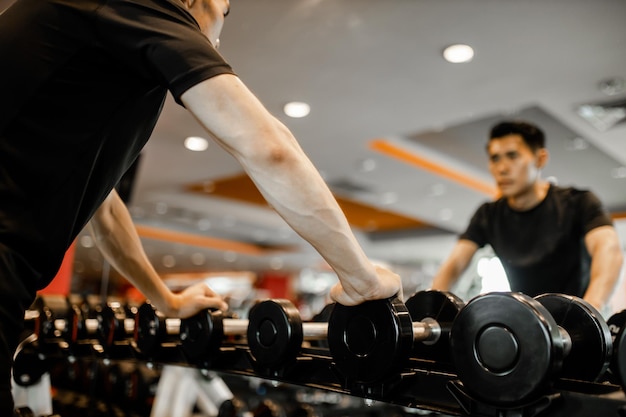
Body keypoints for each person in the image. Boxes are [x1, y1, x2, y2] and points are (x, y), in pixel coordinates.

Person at [0, 0, 402, 412]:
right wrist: (361, 278)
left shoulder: (91, 37)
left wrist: (165, 301)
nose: (220, 36)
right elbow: (267, 148)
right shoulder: (138, 6)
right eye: (224, 10)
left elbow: (105, 210)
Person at [431, 120, 623, 311]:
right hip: (528, 322)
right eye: (495, 158)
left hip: (576, 321)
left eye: (512, 156)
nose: (502, 168)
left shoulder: (578, 202)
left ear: (540, 159)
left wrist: (588, 311)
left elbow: (608, 251)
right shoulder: (488, 215)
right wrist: (432, 309)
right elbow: (455, 264)